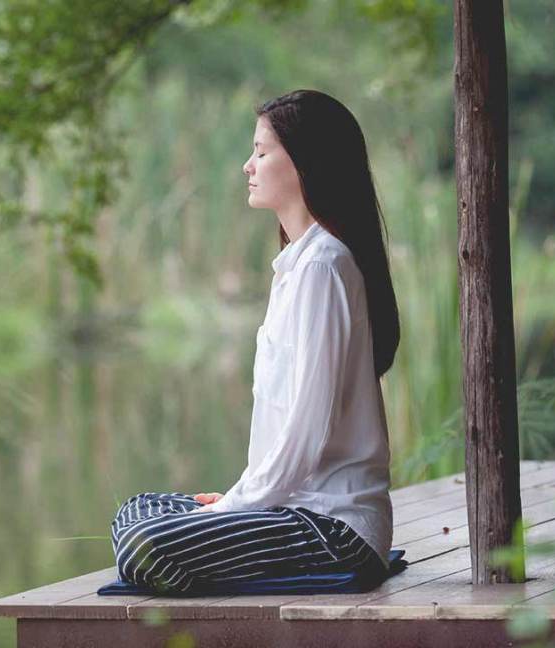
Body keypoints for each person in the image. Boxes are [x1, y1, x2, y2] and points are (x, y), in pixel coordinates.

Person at [109, 89, 401, 594]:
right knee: (138, 509)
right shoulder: (296, 266)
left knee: (145, 542)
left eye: (262, 152)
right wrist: (237, 501)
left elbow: (304, 436)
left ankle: (230, 537)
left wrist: (234, 507)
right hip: (292, 511)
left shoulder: (323, 268)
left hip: (334, 532)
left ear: (306, 163)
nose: (248, 165)